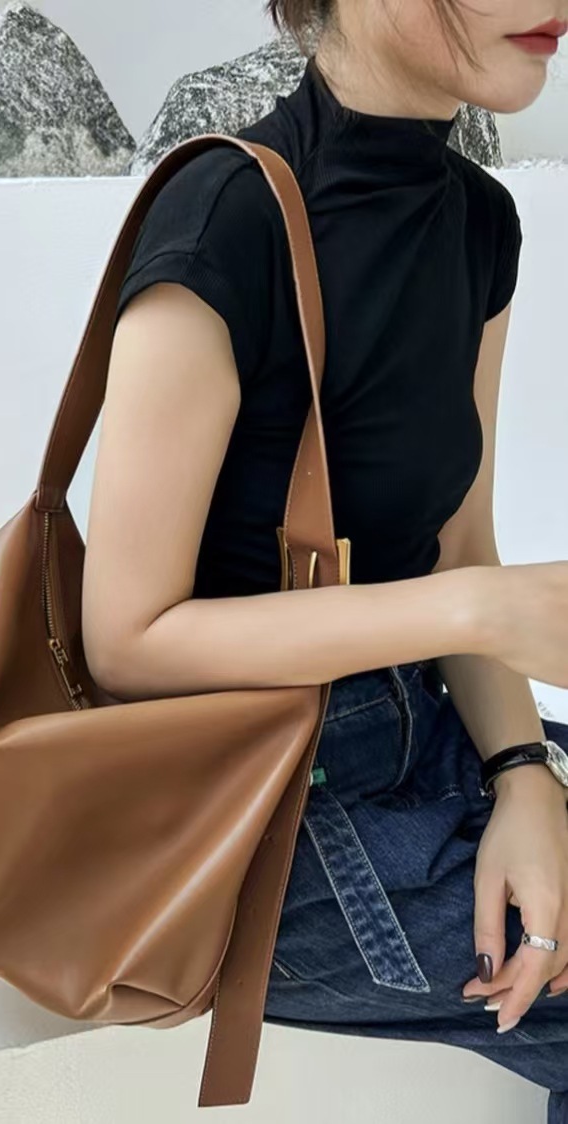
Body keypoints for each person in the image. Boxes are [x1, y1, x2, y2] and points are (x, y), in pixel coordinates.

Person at [80, 0, 568, 1118]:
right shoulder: (226, 218)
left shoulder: (479, 222)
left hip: (425, 726)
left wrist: (522, 774)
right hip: (254, 813)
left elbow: (458, 541)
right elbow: (127, 638)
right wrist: (476, 610)